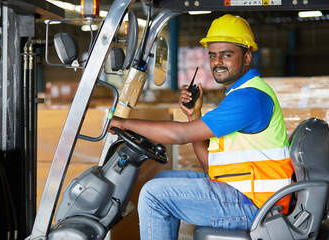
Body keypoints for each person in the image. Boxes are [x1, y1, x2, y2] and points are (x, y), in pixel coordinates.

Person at [109, 14, 293, 240]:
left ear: (247, 57)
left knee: (153, 195)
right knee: (161, 182)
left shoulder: (249, 98)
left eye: (227, 55)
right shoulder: (239, 94)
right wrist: (194, 114)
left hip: (256, 205)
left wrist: (124, 123)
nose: (217, 62)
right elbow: (210, 167)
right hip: (249, 195)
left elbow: (179, 135)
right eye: (213, 55)